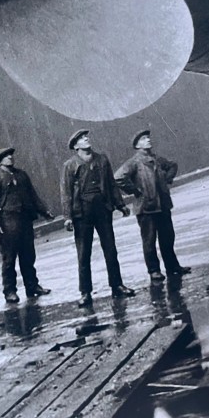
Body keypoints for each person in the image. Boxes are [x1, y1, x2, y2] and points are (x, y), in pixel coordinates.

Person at [61, 129, 135, 307]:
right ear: (76, 146)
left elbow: (111, 183)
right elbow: (66, 192)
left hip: (102, 209)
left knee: (111, 249)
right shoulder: (70, 165)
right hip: (82, 213)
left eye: (86, 137)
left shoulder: (102, 159)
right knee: (83, 253)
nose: (86, 139)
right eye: (81, 138)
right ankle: (85, 293)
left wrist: (120, 205)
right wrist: (68, 216)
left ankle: (117, 286)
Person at [114, 129, 191, 284]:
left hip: (162, 205)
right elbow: (118, 178)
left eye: (148, 137)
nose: (148, 140)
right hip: (146, 207)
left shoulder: (156, 159)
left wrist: (167, 179)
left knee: (168, 237)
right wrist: (135, 191)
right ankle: (154, 271)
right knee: (149, 240)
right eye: (143, 138)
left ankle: (172, 266)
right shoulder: (134, 162)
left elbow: (172, 165)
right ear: (137, 145)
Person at [0, 147, 54, 304]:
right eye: (6, 156)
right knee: (9, 260)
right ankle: (10, 291)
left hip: (25, 222)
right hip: (8, 224)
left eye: (11, 155)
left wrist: (45, 212)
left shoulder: (22, 175)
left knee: (28, 256)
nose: (10, 157)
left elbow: (33, 195)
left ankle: (32, 287)